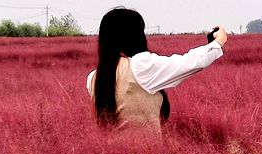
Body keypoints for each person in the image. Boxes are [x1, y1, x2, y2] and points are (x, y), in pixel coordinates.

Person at [87, 7, 227, 133]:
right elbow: (187, 63)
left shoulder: (93, 78)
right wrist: (218, 43)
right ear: (136, 37)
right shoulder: (140, 66)